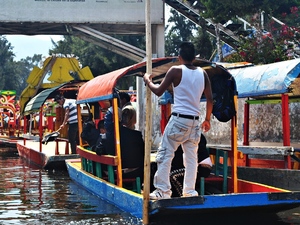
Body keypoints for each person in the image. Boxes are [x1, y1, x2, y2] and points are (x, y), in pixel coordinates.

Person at [143, 41, 213, 199]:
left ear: (179, 57)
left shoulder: (175, 70)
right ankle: (189, 191)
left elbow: (158, 91)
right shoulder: (203, 73)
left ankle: (163, 191)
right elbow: (210, 99)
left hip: (179, 119)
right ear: (194, 57)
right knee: (191, 158)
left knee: (165, 155)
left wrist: (148, 81)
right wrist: (207, 119)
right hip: (195, 122)